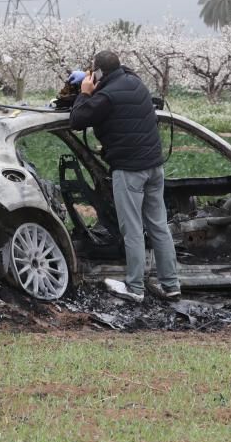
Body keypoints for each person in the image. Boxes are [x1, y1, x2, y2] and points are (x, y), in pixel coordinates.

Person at [69, 50, 181, 301]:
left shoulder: (105, 97)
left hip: (130, 171)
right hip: (154, 167)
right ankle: (171, 285)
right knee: (158, 226)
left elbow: (77, 120)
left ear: (98, 73)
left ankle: (135, 288)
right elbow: (122, 76)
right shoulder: (135, 82)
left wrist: (85, 92)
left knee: (132, 230)